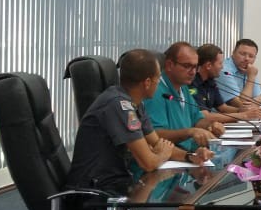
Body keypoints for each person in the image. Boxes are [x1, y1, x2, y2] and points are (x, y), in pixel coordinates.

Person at [66, 48, 213, 195]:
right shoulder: (119, 106)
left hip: (116, 186)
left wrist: (191, 156)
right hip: (95, 194)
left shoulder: (135, 104)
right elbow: (148, 163)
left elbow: (156, 143)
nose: (159, 83)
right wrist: (162, 154)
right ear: (147, 82)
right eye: (158, 79)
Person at [141, 42, 226, 150]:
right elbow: (155, 134)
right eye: (187, 66)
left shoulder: (183, 87)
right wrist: (190, 132)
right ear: (169, 65)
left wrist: (211, 126)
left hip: (188, 153)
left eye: (195, 67)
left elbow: (197, 119)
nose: (193, 72)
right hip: (168, 159)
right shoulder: (155, 91)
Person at [192, 43, 261, 121]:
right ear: (209, 66)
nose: (222, 67)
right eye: (220, 63)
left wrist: (242, 110)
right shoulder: (193, 84)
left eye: (251, 56)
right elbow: (204, 116)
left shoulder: (210, 81)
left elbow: (223, 107)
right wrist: (243, 115)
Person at [219, 38, 261, 109]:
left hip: (242, 116)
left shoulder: (250, 70)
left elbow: (258, 98)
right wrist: (251, 77)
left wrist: (251, 108)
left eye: (251, 56)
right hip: (222, 117)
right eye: (243, 54)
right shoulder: (224, 70)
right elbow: (240, 104)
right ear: (233, 53)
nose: (247, 59)